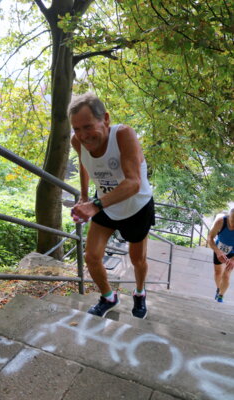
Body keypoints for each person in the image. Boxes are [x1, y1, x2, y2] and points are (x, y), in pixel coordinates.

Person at [68, 92, 155, 319]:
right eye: (76, 129)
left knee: (138, 260)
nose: (83, 135)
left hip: (136, 207)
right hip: (104, 204)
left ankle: (139, 292)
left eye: (87, 127)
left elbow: (133, 182)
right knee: (91, 257)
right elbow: (85, 164)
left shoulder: (123, 135)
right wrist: (84, 196)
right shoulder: (77, 141)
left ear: (105, 119)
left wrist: (94, 205)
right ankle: (108, 297)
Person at [207, 208, 234, 302]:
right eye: (232, 221)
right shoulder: (221, 221)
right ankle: (218, 289)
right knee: (218, 272)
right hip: (219, 249)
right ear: (228, 217)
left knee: (226, 275)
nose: (233, 225)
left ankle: (221, 295)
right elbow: (210, 237)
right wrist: (217, 251)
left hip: (232, 253)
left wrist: (233, 260)